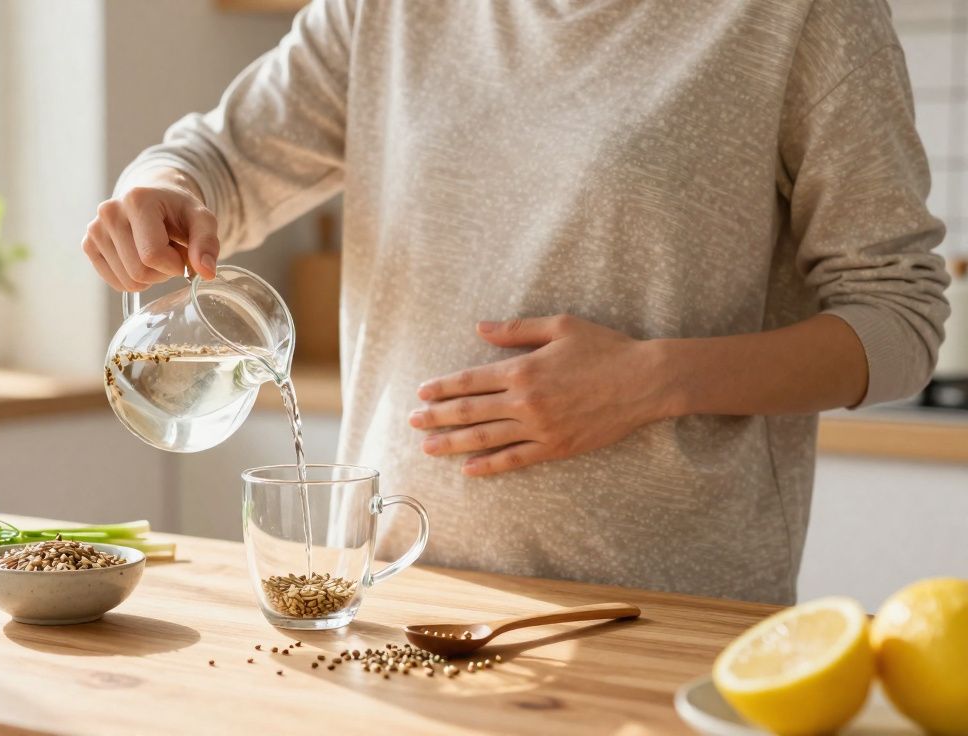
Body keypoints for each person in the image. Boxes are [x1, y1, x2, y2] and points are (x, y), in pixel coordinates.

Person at [82, 0, 950, 604]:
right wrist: (161, 186)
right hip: (394, 591)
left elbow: (899, 318)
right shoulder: (384, 12)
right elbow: (218, 161)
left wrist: (655, 380)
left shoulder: (804, 17)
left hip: (668, 613)